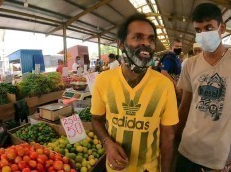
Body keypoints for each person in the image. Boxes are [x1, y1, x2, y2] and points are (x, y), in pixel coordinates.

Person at [91, 13, 179, 172]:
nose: (146, 43)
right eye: (138, 37)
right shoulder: (103, 80)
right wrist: (107, 143)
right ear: (121, 44)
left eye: (151, 39)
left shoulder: (164, 85)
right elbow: (96, 119)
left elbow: (168, 137)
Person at [176, 3, 231, 171]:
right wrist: (175, 137)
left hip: (218, 155)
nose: (203, 34)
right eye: (198, 30)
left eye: (209, 28)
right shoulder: (190, 64)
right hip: (187, 149)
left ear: (221, 28)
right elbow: (185, 105)